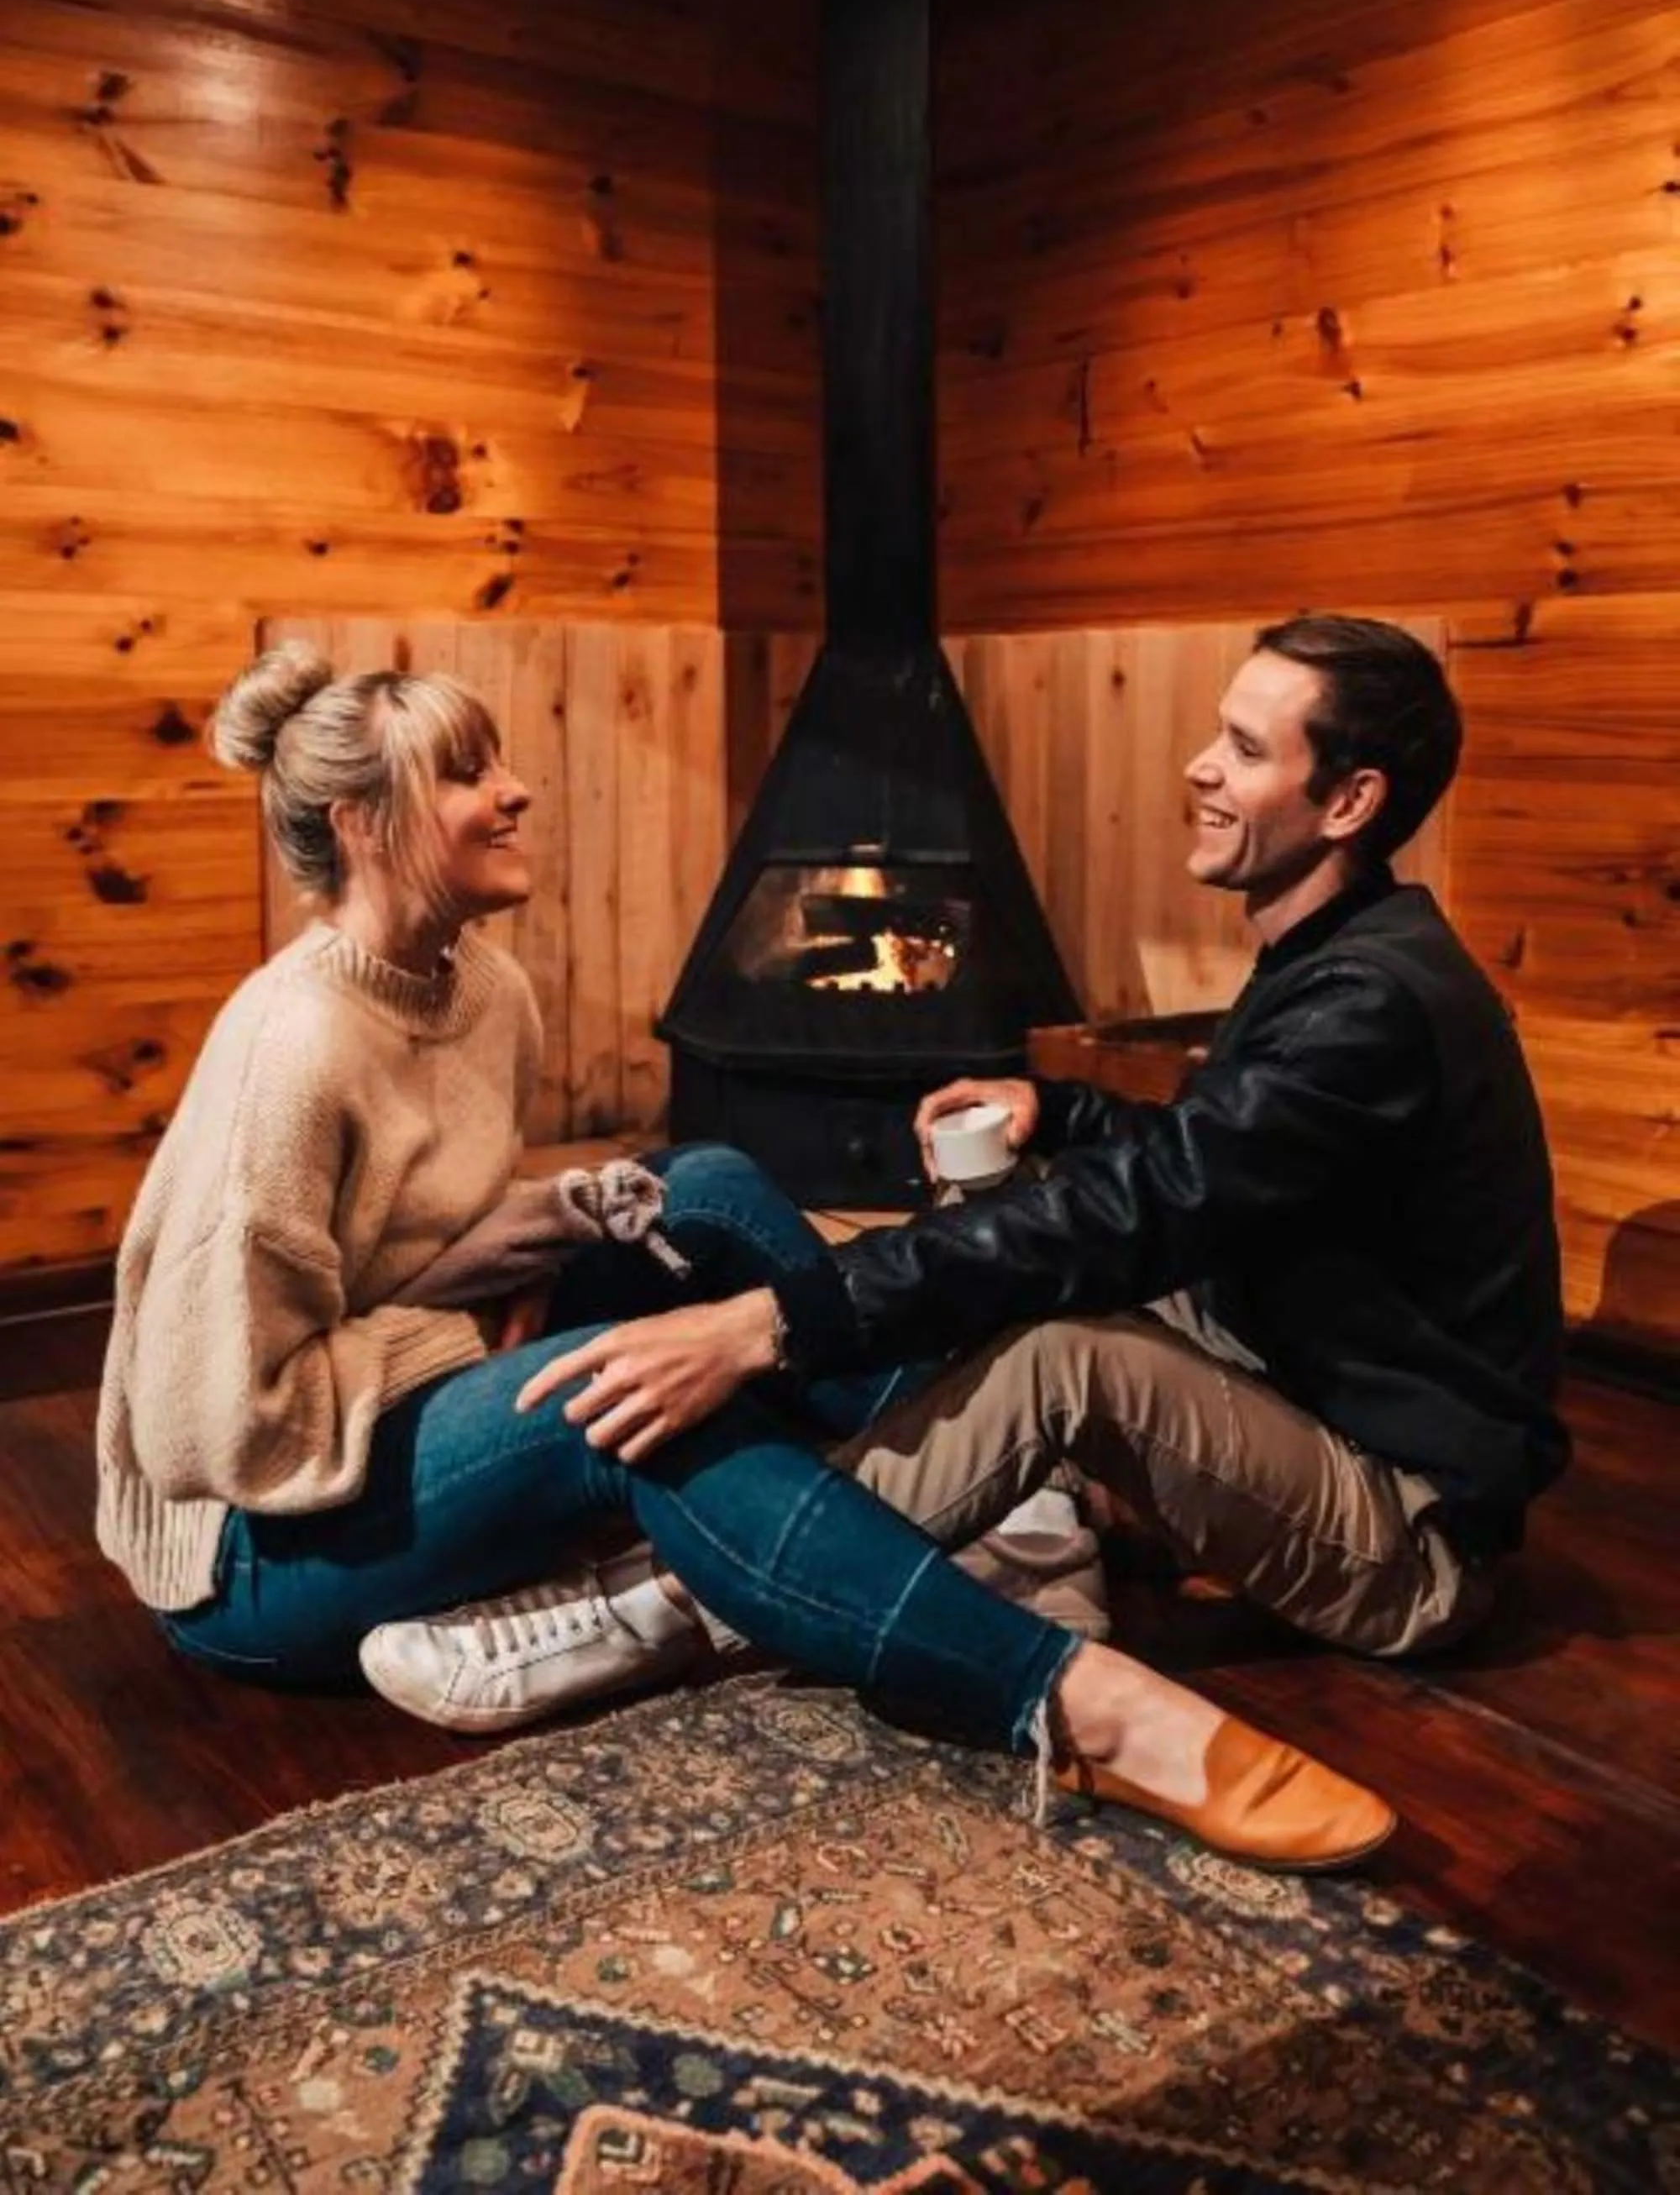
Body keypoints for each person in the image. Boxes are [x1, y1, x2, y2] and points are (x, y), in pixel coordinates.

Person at [93, 642, 1396, 1875]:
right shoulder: (289, 1048)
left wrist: (543, 1232)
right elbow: (214, 1426)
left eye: (501, 762)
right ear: (369, 827)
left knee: (701, 1187)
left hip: (376, 1407)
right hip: (256, 1550)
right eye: (467, 772)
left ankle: (966, 1476)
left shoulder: (486, 991)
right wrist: (474, 1332)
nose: (518, 790)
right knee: (629, 1392)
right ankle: (1078, 1707)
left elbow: (410, 1244)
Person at [492, 614, 1568, 1705]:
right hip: (1304, 1379)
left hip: (1412, 1534)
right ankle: (1012, 1513)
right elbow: (1214, 1167)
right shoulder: (1342, 955)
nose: (1199, 765)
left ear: (1349, 801)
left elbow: (1144, 1209)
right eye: (1215, 733)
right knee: (1027, 1229)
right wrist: (1051, 1110)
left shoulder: (1369, 1001)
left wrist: (773, 1324)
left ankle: (667, 1603)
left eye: (1245, 750)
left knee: (1068, 1347)